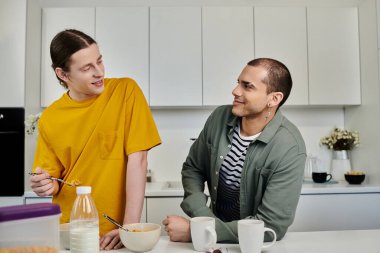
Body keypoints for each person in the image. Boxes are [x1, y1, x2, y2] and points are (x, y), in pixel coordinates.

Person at [30, 29, 161, 250]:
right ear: (63, 74)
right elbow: (53, 180)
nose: (99, 72)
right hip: (70, 231)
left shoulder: (126, 91)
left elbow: (138, 161)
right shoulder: (50, 118)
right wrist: (43, 184)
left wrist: (128, 228)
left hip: (115, 232)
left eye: (99, 61)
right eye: (87, 68)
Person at [162, 58, 306, 243]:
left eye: (248, 86)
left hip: (252, 246)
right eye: (238, 83)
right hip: (214, 242)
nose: (235, 91)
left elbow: (271, 225)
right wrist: (203, 218)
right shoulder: (219, 117)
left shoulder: (289, 146)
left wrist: (198, 231)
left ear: (274, 98)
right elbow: (193, 168)